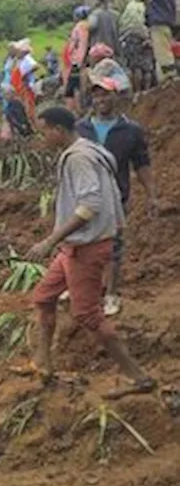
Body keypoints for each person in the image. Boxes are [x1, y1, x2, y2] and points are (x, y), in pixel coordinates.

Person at [26, 107, 155, 399]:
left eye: (44, 130)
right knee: (44, 297)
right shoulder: (88, 150)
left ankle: (138, 377)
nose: (42, 137)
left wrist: (50, 240)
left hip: (86, 246)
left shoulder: (79, 159)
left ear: (58, 130)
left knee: (87, 314)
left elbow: (89, 205)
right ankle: (42, 363)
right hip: (76, 245)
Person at [74, 71, 158, 317]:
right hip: (84, 196)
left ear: (116, 97)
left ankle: (111, 293)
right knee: (81, 242)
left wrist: (152, 194)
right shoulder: (81, 128)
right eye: (96, 94)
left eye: (105, 94)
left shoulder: (130, 130)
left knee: (113, 246)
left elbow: (141, 164)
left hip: (116, 197)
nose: (101, 99)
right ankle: (85, 288)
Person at [137, 0, 176, 81]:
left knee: (162, 52)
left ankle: (170, 77)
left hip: (157, 22)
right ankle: (164, 78)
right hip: (168, 22)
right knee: (165, 48)